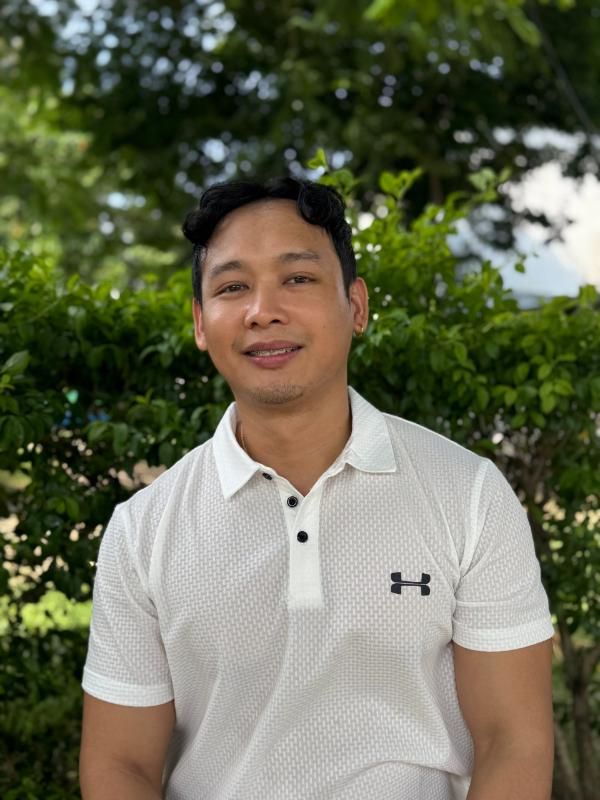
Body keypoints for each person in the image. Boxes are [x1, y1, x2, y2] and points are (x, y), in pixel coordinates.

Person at [79, 177, 554, 800]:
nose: (262, 310)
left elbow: (513, 743)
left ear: (356, 305)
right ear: (199, 323)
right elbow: (121, 766)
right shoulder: (143, 530)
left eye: (297, 278)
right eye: (232, 287)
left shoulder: (468, 495)